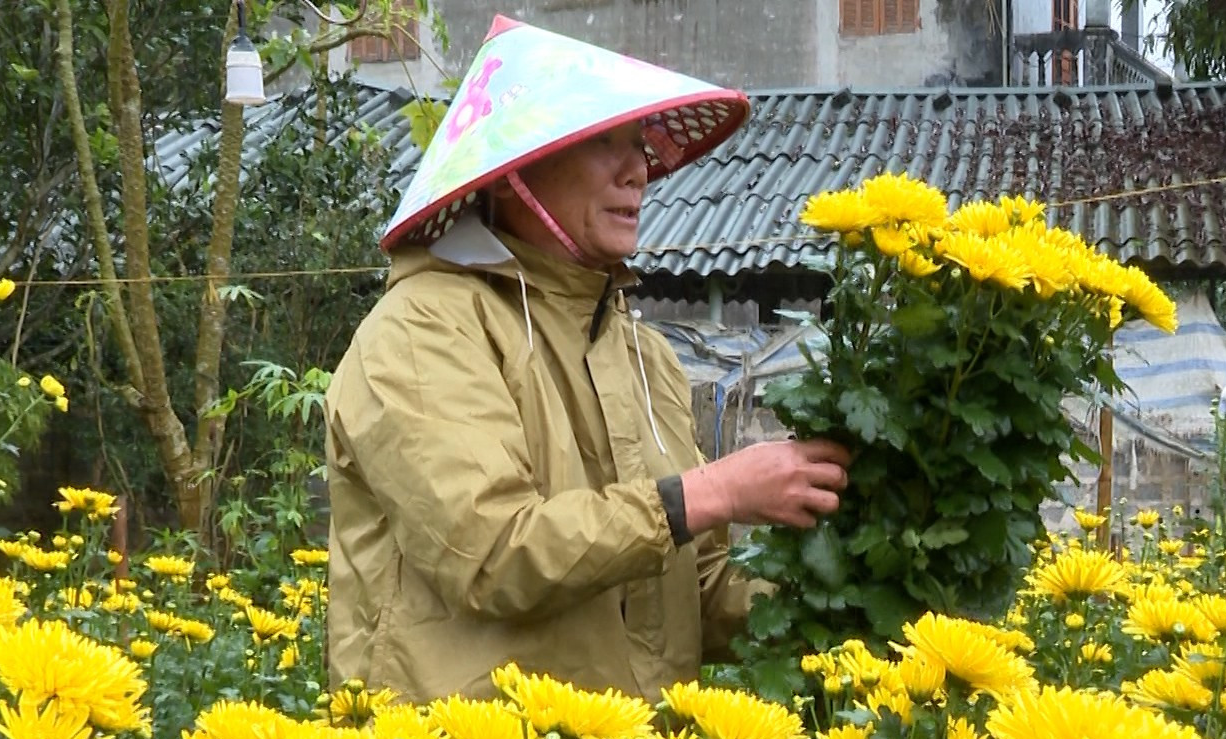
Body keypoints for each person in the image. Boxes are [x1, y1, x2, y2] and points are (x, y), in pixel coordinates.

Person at [325, 16, 849, 703]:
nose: (638, 170)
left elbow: (699, 597)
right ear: (515, 175)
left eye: (638, 146)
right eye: (602, 143)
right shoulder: (422, 329)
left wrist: (856, 558)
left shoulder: (643, 353)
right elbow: (489, 554)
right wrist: (719, 491)